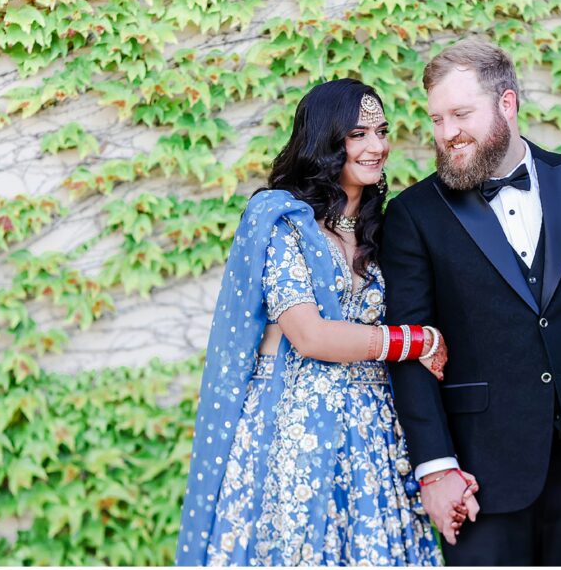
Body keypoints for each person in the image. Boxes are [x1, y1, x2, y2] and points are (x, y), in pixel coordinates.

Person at [380, 39, 561, 565]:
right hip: (480, 479)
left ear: (507, 104)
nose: (448, 133)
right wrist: (436, 468)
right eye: (437, 119)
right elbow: (413, 352)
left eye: (461, 114)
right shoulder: (413, 215)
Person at [175, 78, 473, 566]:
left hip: (376, 438)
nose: (377, 146)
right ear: (326, 141)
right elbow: (309, 334)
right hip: (294, 433)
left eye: (382, 131)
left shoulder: (386, 227)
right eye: (359, 134)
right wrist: (415, 341)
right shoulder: (281, 220)